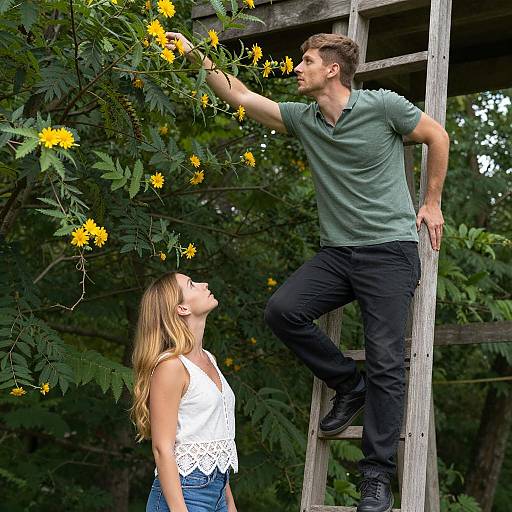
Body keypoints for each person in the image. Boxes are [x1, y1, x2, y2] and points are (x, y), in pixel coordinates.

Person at [166, 31, 449, 512]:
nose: (298, 68)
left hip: (389, 251)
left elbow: (436, 135)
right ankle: (347, 382)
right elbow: (239, 93)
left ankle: (376, 477)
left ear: (332, 69)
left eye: (307, 61)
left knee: (386, 359)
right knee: (282, 310)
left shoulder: (383, 106)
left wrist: (432, 201)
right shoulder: (304, 117)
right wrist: (196, 56)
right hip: (339, 254)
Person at [131, 272, 238, 512]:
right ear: (181, 308)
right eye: (192, 284)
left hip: (219, 489)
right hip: (185, 495)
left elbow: (214, 440)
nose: (204, 284)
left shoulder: (209, 358)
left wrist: (229, 503)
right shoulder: (170, 366)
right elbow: (162, 448)